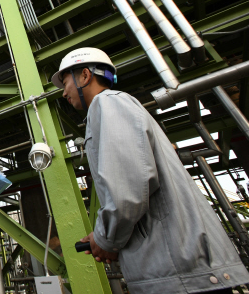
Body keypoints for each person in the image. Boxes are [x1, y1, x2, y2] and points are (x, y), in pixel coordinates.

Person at [51, 47, 249, 294]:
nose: (63, 92)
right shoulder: (116, 106)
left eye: (65, 81)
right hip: (180, 269)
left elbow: (126, 191)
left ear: (84, 76)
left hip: (178, 273)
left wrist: (105, 239)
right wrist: (103, 235)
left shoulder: (107, 104)